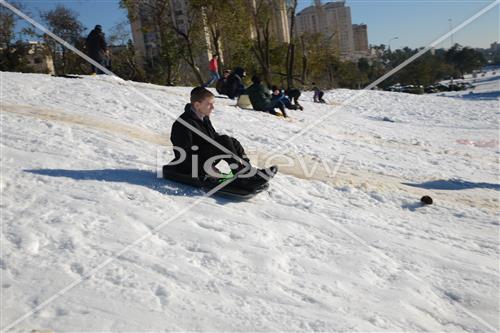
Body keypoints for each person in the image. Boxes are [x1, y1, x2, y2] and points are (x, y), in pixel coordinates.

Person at [167, 87, 276, 188]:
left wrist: (230, 145)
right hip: (189, 165)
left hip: (203, 158)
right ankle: (241, 176)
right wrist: (206, 168)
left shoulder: (204, 118)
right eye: (209, 104)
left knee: (231, 141)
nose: (213, 107)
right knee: (224, 140)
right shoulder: (182, 124)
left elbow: (213, 138)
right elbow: (183, 153)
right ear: (197, 105)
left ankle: (248, 171)